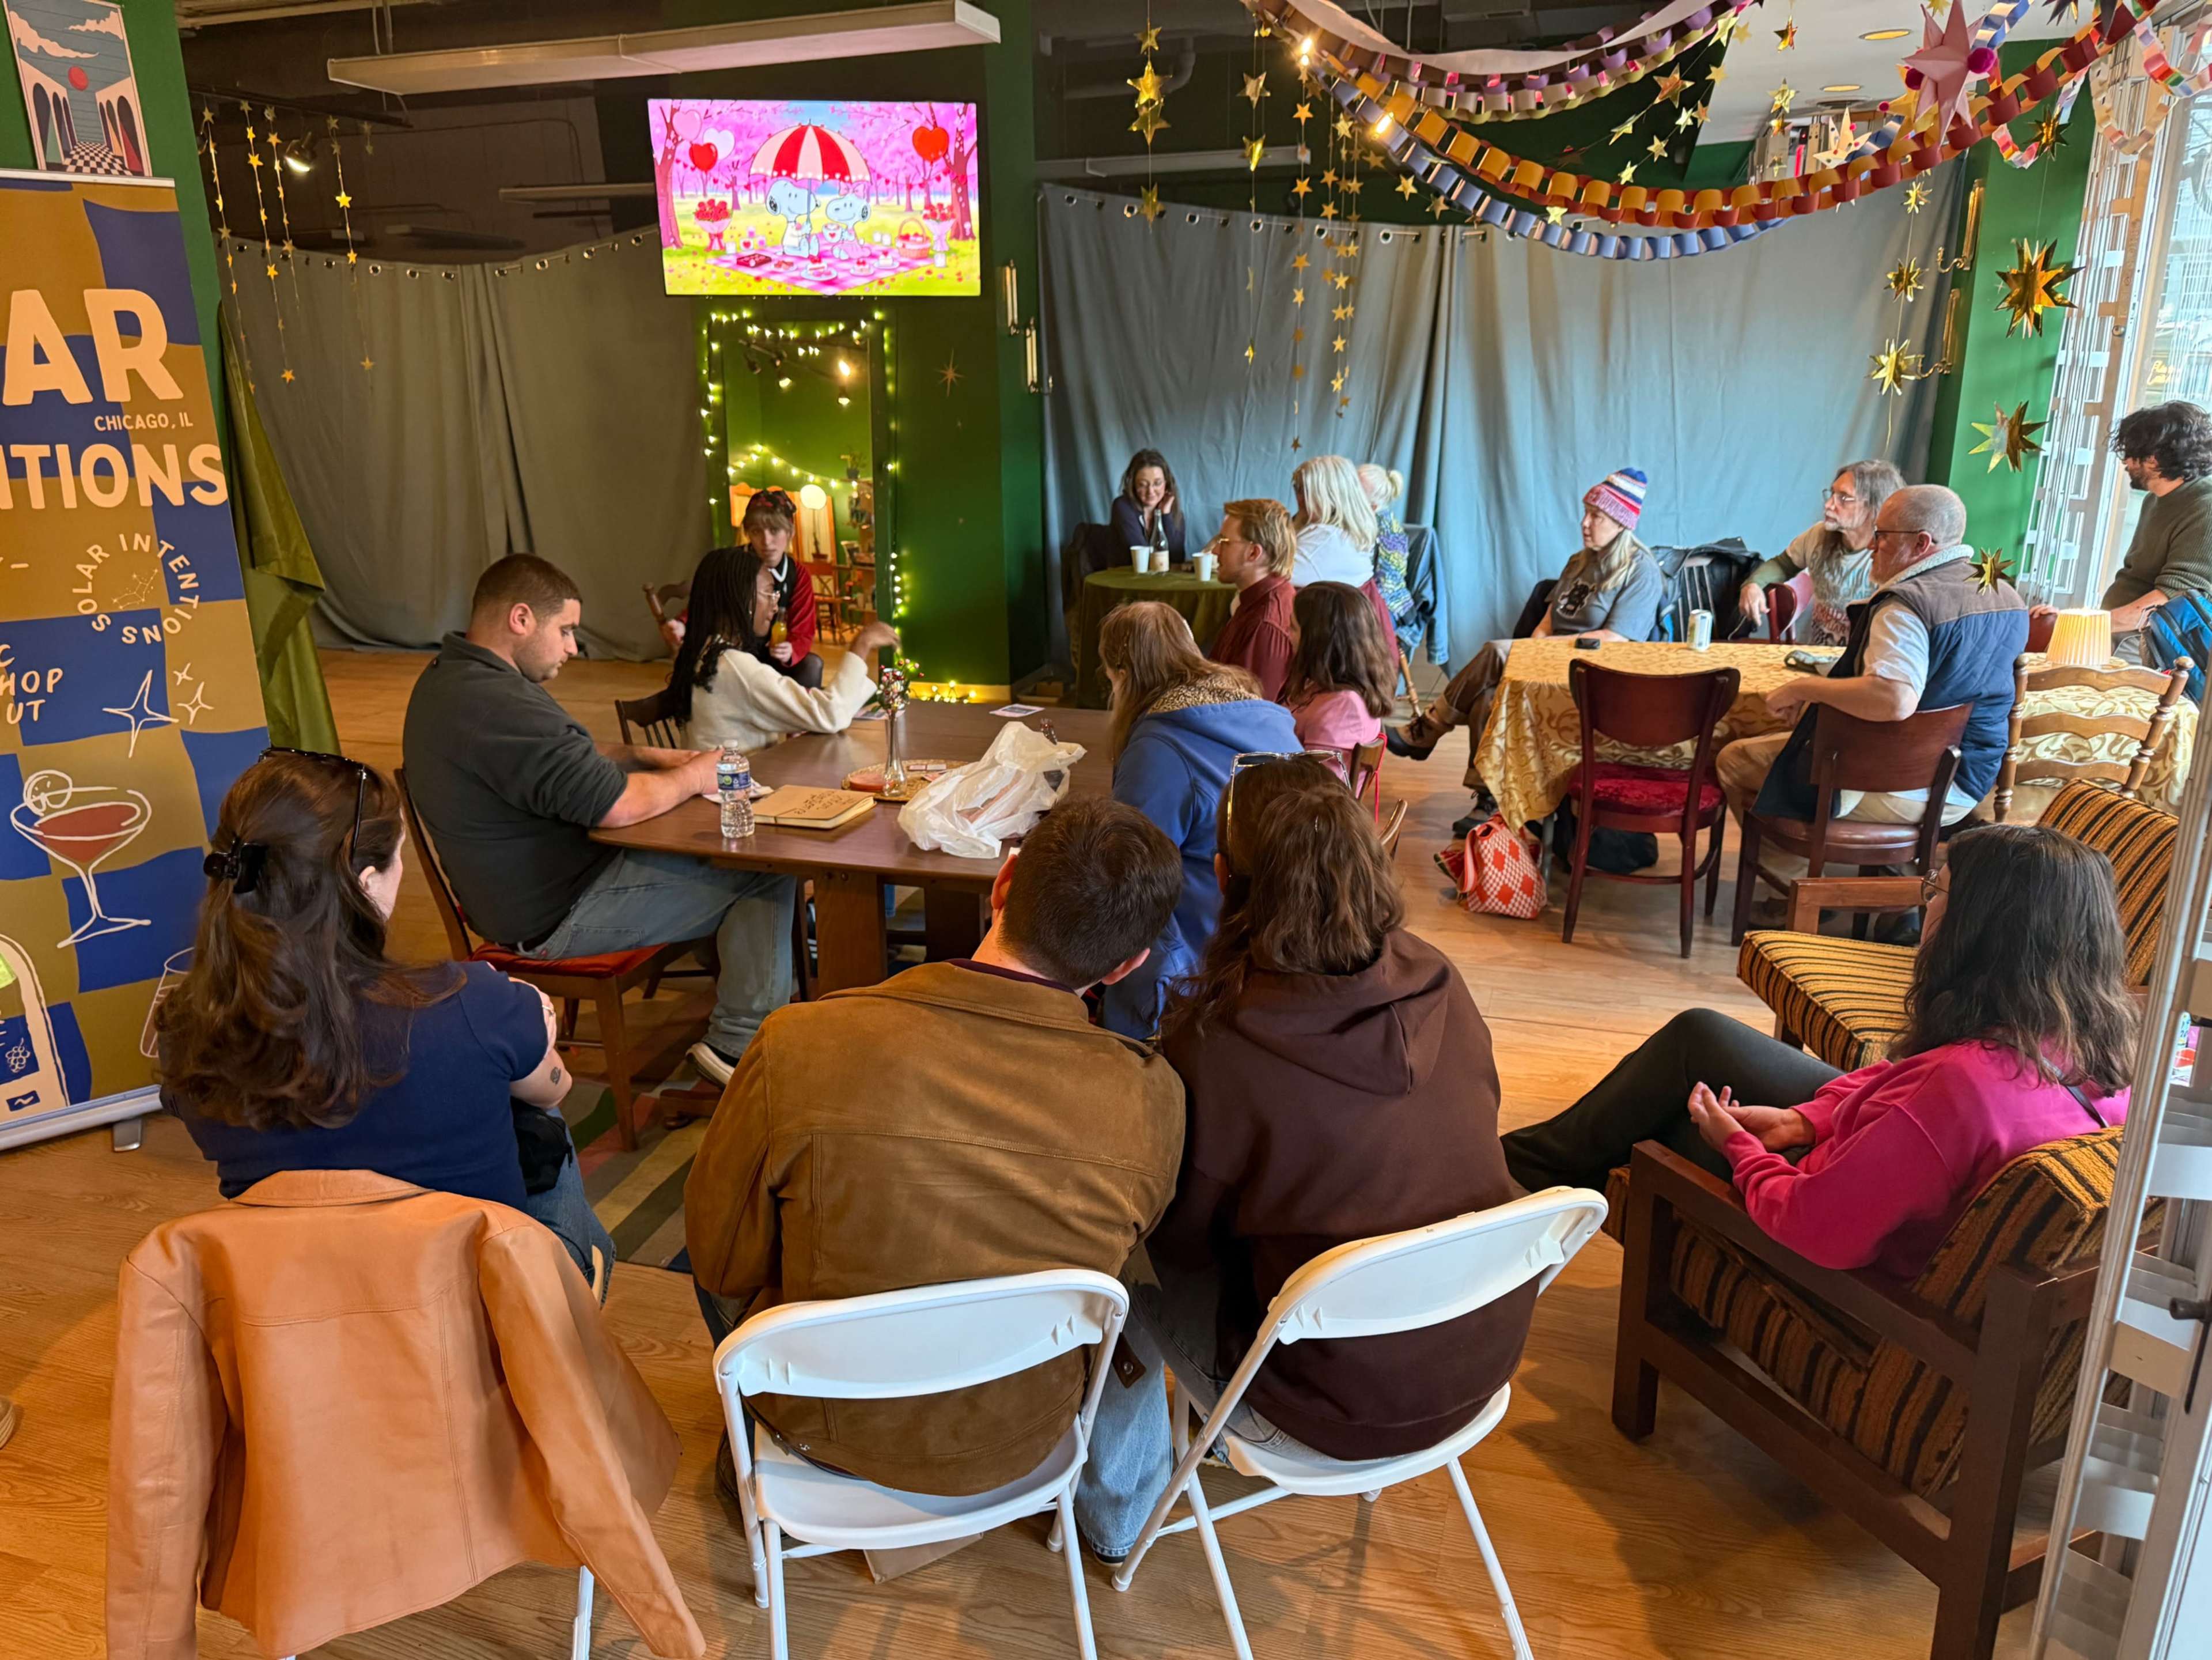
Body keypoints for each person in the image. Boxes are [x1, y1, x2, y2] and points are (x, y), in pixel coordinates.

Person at [1073, 758, 1532, 1563]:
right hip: (1475, 1362)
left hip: (1324, 1406)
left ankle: (1116, 1515)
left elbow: (1179, 1243)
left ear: (1223, 880)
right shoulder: (1442, 982)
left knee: (1118, 1260)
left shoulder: (1219, 1044)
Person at [684, 797, 1187, 1497]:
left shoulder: (800, 1042)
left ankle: (759, 1452)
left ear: (1003, 884)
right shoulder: (1154, 1096)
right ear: (1127, 964)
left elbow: (720, 1257)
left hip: (829, 1427)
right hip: (1027, 1436)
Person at [1501, 823, 2132, 1278]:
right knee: (1701, 1037)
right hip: (1872, 1164)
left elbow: (1818, 1229)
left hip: (1843, 1248)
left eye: (1936, 890)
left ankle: (1516, 1185)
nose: (1926, 905)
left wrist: (1740, 1149)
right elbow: (1895, 1082)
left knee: (1675, 1125)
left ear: (1979, 928)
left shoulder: (1961, 1088)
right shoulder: (2091, 1051)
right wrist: (1804, 1118)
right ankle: (1528, 1177)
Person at [156, 750, 616, 1287]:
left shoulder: (187, 1030)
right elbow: (551, 1092)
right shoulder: (476, 1004)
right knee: (538, 1116)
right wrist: (533, 1026)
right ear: (367, 881)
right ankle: (578, 1308)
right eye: (399, 860)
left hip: (297, 1314)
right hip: (488, 1317)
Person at [402, 554, 794, 1088]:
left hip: (529, 894)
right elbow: (618, 808)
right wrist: (699, 772)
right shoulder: (499, 706)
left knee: (721, 852)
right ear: (521, 619)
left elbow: (564, 758)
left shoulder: (454, 678)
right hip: (554, 916)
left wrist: (651, 759)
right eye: (564, 630)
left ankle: (746, 986)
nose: (572, 647)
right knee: (766, 866)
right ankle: (738, 1042)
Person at [1715, 483, 2027, 831]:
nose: (1871, 545)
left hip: (1898, 782)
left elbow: (1893, 699)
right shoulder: (2003, 592)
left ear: (1921, 543)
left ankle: (1794, 875)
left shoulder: (1907, 606)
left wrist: (1807, 688)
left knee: (1734, 759)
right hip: (1969, 780)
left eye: (1882, 535)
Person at [1387, 468, 1661, 828]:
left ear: (1621, 522)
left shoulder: (1641, 572)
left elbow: (1616, 641)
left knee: (1497, 651)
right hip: (1550, 665)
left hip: (1592, 679)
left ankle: (1430, 727)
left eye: (1597, 516)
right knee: (1488, 697)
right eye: (1586, 512)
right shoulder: (1579, 563)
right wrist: (1537, 649)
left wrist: (1543, 651)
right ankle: (1490, 801)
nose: (1584, 522)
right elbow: (1548, 619)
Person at [1099, 602, 1300, 1039]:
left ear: (1123, 674)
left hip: (1198, 966)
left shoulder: (1160, 746)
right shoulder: (1259, 709)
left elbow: (1130, 871)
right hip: (1283, 930)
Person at [667, 544, 897, 754]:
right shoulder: (736, 667)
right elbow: (830, 714)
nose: (775, 605)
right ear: (741, 598)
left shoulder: (704, 652)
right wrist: (862, 644)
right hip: (738, 790)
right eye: (769, 593)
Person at [2089, 402, 2212, 660]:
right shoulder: (2155, 499)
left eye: (2133, 454)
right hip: (2115, 633)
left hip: (2144, 645)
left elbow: (2173, 599)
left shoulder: (2205, 507)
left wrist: (2087, 624)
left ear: (2154, 458)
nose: (2125, 462)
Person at [1737, 460, 1903, 645]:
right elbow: (1783, 564)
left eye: (1844, 498)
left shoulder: (1893, 557)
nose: (1829, 505)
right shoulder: (1818, 535)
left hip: (1864, 667)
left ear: (1875, 507)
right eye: (1832, 494)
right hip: (1815, 658)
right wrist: (1753, 585)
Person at [1283, 580, 1392, 777]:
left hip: (1304, 802)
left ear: (1317, 641)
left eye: (1293, 628)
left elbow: (1319, 787)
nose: (1287, 634)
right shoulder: (1326, 687)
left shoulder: (1343, 707)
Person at [1204, 497, 1299, 701]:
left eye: (1224, 542)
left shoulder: (1265, 625)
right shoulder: (1255, 599)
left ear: (1254, 553)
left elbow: (1251, 714)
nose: (1215, 551)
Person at [1360, 460, 1422, 659]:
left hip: (1388, 608)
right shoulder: (1360, 525)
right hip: (1367, 601)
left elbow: (1386, 586)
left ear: (1373, 506)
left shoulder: (1389, 533)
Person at [1111, 447, 1187, 559]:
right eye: (1143, 484)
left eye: (1158, 483)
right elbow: (1142, 558)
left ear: (1167, 483)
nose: (1151, 491)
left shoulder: (1176, 514)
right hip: (1128, 576)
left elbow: (1176, 558)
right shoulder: (1122, 507)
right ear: (1133, 485)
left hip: (1164, 577)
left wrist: (1166, 515)